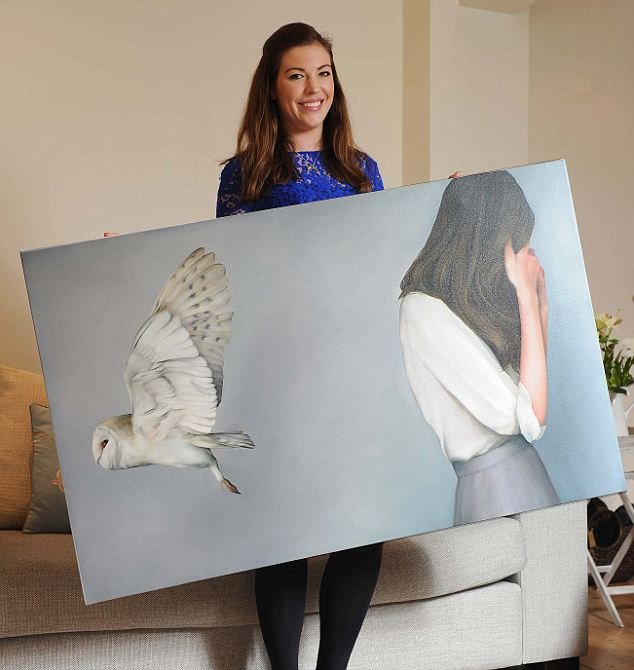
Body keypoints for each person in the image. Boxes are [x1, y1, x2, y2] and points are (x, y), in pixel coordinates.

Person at [215, 22, 384, 670]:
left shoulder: (361, 170)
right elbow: (233, 278)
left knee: (363, 525)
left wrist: (453, 202)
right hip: (278, 375)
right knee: (281, 532)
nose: (314, 87)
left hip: (349, 371)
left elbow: (380, 262)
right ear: (272, 87)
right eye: (297, 74)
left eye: (324, 73)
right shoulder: (244, 175)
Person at [399, 170, 560, 526]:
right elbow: (529, 419)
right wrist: (527, 296)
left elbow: (530, 399)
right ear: (484, 239)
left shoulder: (464, 306)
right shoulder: (423, 311)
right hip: (497, 489)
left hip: (520, 474)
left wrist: (539, 304)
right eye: (512, 241)